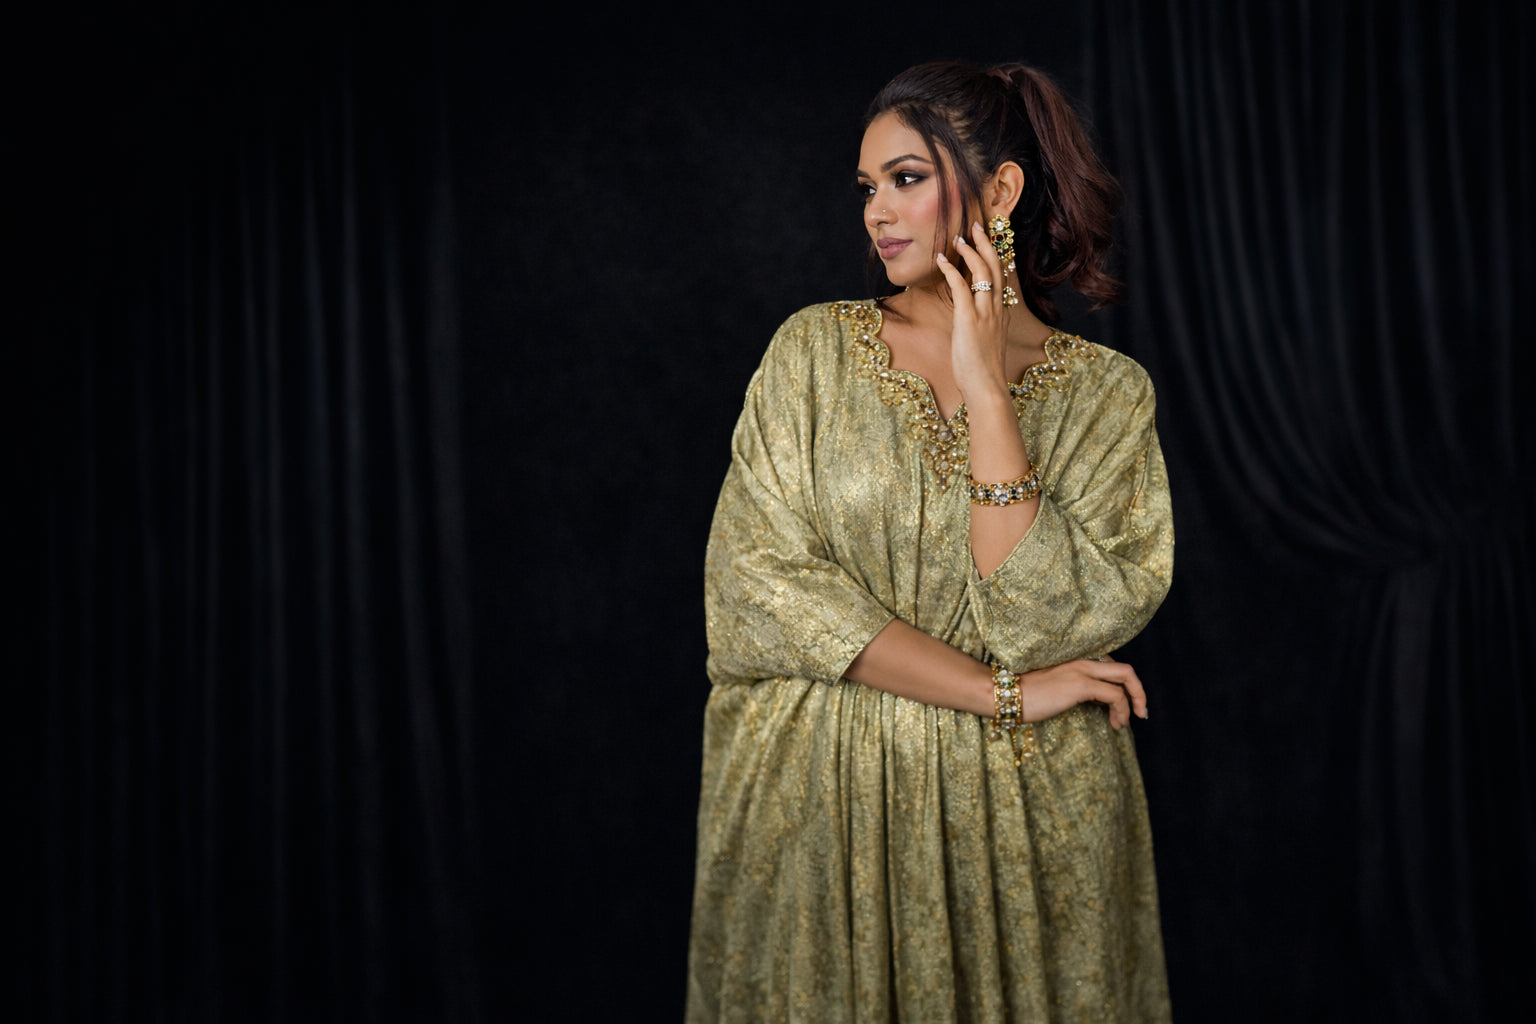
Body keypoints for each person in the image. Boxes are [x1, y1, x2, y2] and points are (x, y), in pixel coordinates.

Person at [687, 59, 1174, 1023]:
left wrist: (988, 390)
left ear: (1000, 189)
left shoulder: (1109, 395)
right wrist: (1006, 694)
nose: (877, 211)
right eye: (868, 188)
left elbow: (1040, 619)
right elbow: (760, 587)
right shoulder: (811, 353)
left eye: (906, 178)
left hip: (1032, 823)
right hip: (821, 810)